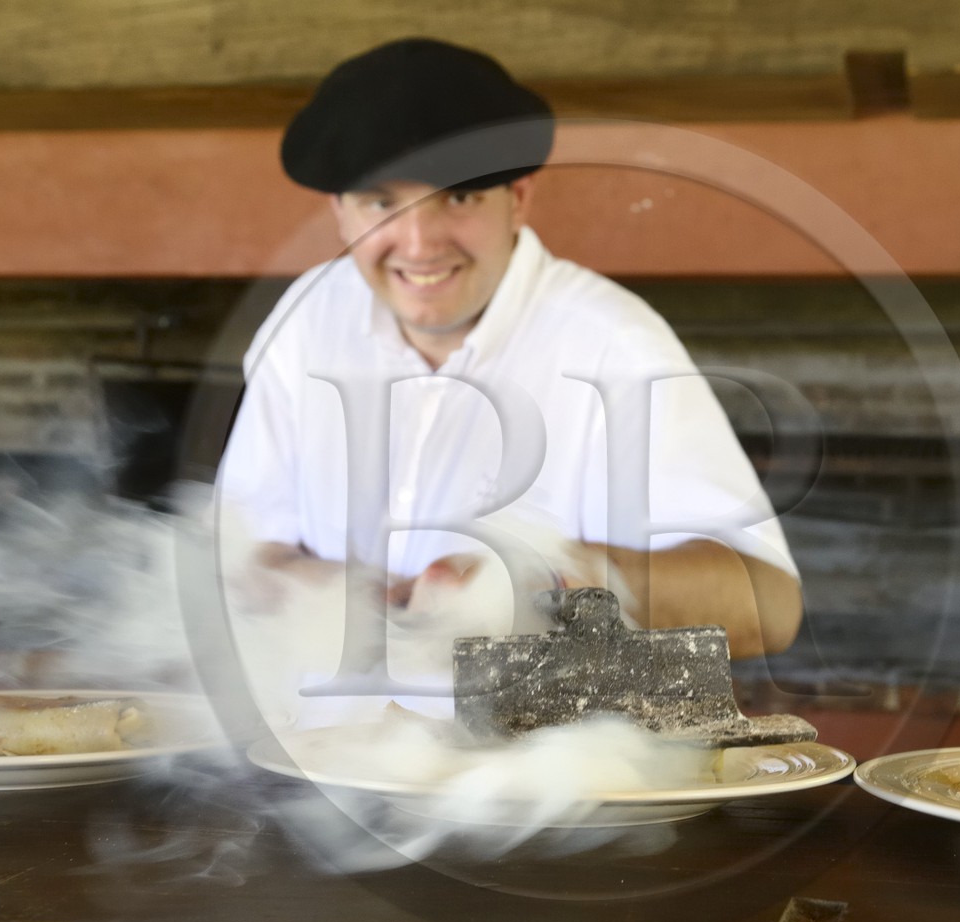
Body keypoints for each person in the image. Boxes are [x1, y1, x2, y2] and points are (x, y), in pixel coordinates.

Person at [217, 37, 801, 661]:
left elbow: (769, 606)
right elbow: (242, 557)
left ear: (518, 198)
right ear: (340, 212)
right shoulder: (306, 320)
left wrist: (546, 580)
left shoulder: (614, 344)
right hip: (319, 747)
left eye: (459, 197)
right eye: (381, 202)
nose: (418, 245)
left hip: (537, 756)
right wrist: (348, 597)